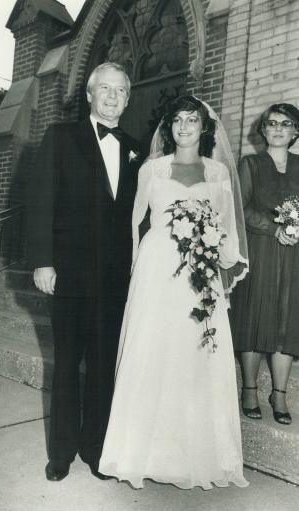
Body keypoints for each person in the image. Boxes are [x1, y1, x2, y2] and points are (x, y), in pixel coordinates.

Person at [99, 95, 249, 490]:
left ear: (205, 128)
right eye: (178, 121)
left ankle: (194, 454)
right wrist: (134, 269)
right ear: (170, 127)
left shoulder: (218, 172)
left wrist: (226, 262)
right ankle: (141, 452)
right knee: (153, 349)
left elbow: (228, 225)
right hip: (157, 268)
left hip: (200, 273)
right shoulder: (153, 168)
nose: (184, 127)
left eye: (192, 121)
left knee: (195, 353)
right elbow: (134, 222)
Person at [27, 62, 141, 481]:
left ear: (128, 99)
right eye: (105, 89)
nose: (112, 97)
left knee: (102, 368)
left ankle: (95, 448)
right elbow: (40, 202)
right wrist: (42, 260)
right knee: (66, 365)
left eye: (120, 91)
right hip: (68, 275)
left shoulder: (136, 148)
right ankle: (60, 453)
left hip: (114, 281)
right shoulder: (61, 137)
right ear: (90, 95)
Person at [230, 103, 299, 425]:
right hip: (260, 249)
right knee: (255, 317)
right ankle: (249, 389)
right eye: (272, 123)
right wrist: (275, 229)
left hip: (294, 255)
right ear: (264, 129)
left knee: (288, 319)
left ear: (296, 131)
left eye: (286, 124)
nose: (278, 129)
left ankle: (280, 394)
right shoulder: (251, 163)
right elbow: (239, 209)